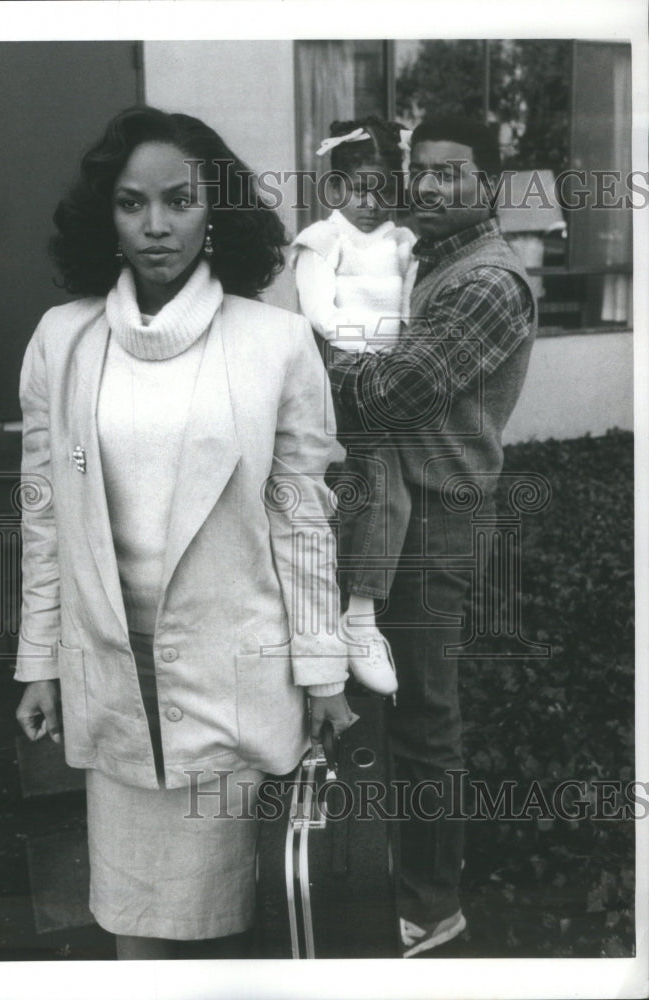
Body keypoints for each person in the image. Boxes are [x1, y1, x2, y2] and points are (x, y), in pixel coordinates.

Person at [14, 105, 354, 961]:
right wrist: (40, 663)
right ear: (108, 216)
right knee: (136, 927)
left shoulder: (275, 344)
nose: (156, 225)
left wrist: (321, 672)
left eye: (179, 200)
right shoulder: (63, 341)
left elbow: (302, 522)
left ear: (218, 211)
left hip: (236, 677)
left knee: (248, 926)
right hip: (113, 671)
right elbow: (45, 516)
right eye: (133, 204)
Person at [321, 115, 537, 957]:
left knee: (423, 717)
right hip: (390, 509)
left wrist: (307, 357)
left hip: (437, 520)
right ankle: (388, 879)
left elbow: (391, 396)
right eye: (423, 170)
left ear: (490, 180)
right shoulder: (428, 258)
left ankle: (430, 907)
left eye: (454, 172)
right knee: (385, 706)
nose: (432, 186)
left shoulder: (486, 282)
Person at [291, 116, 418, 699]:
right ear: (337, 187)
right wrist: (385, 338)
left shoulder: (400, 244)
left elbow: (417, 317)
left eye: (385, 189)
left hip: (388, 378)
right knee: (371, 478)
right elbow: (323, 315)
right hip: (338, 374)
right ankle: (356, 619)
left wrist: (395, 347)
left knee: (380, 483)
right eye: (359, 187)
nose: (372, 202)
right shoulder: (324, 240)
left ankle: (358, 616)